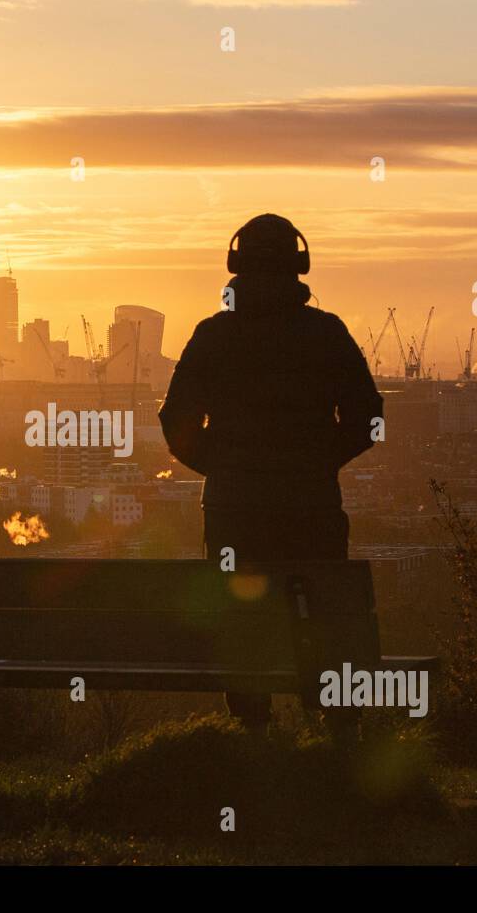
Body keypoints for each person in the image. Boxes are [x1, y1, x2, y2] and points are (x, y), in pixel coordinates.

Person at [158, 213, 384, 736]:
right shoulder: (326, 334)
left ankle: (251, 728)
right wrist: (320, 460)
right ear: (299, 266)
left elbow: (176, 422)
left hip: (232, 508)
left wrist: (222, 466)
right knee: (326, 614)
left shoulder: (213, 336)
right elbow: (367, 420)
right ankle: (336, 726)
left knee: (241, 617)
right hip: (312, 505)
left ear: (236, 267)